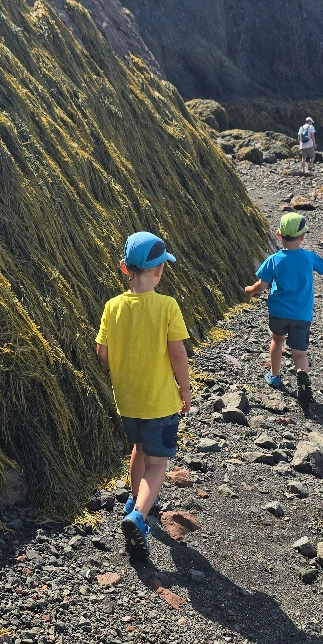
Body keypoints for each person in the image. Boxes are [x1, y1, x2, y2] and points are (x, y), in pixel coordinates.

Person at [96, 231, 191, 556]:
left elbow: (102, 353)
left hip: (127, 402)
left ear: (125, 268)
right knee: (158, 463)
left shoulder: (112, 307)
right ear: (160, 270)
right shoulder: (166, 306)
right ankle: (138, 516)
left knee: (138, 448)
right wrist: (185, 389)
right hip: (159, 401)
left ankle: (135, 502)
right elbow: (178, 354)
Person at [244, 212, 323, 412]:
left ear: (279, 236)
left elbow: (261, 286)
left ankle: (275, 376)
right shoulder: (309, 257)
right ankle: (301, 374)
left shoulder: (274, 260)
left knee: (277, 341)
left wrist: (249, 291)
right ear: (303, 236)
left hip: (279, 312)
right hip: (302, 314)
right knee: (299, 353)